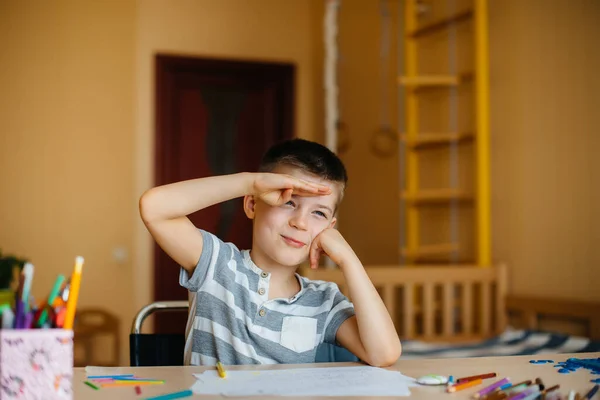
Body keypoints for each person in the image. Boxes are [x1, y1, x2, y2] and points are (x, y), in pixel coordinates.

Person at [139, 138, 401, 367]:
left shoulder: (324, 301)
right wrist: (250, 182)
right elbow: (154, 207)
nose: (300, 222)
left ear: (330, 229)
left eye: (318, 213)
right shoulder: (217, 264)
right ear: (253, 203)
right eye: (288, 202)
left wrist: (348, 258)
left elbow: (384, 354)